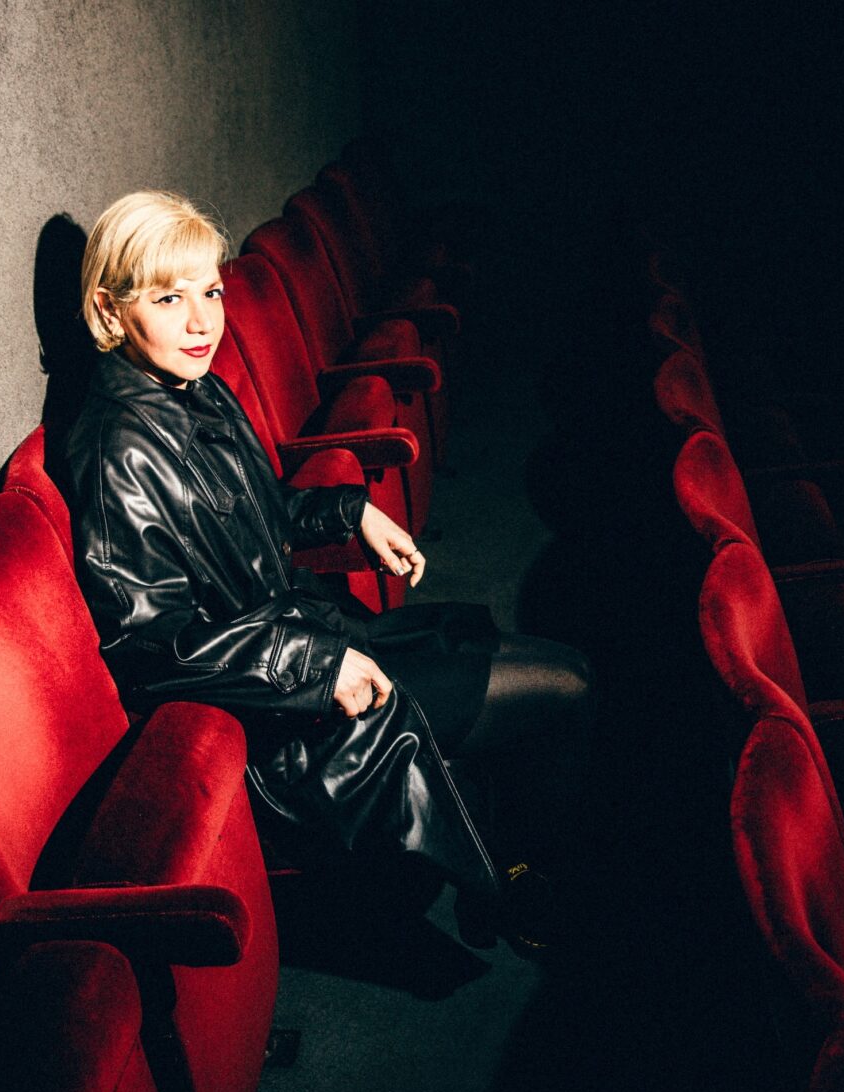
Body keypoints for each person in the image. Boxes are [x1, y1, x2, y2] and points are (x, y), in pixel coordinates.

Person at [62, 190, 591, 952]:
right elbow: (151, 646)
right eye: (169, 298)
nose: (202, 321)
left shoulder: (190, 389)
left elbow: (257, 510)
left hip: (310, 639)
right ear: (112, 313)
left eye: (209, 291)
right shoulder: (118, 451)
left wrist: (350, 514)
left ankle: (507, 855)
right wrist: (311, 666)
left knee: (531, 665)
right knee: (568, 687)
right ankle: (518, 883)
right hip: (281, 718)